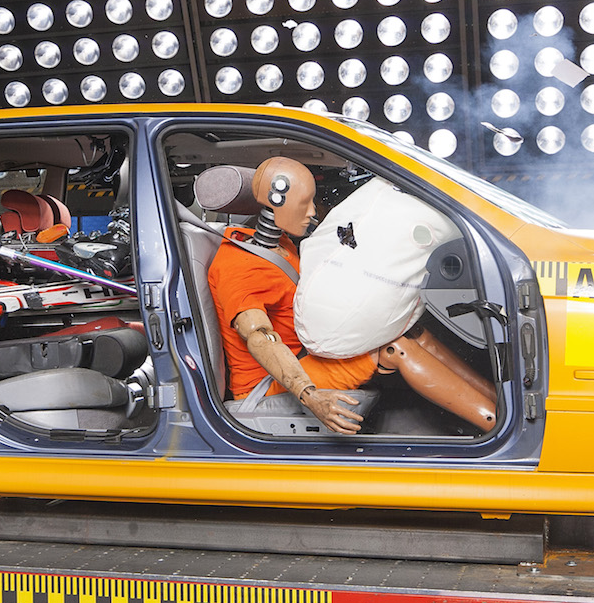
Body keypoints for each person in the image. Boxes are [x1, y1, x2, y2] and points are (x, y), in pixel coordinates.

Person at [207, 157, 497, 436]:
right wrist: (310, 395)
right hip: (268, 386)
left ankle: (500, 403)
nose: (311, 212)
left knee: (411, 331)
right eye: (304, 203)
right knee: (394, 347)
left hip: (303, 356)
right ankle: (495, 425)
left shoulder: (275, 245)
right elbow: (259, 337)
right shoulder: (238, 267)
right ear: (278, 201)